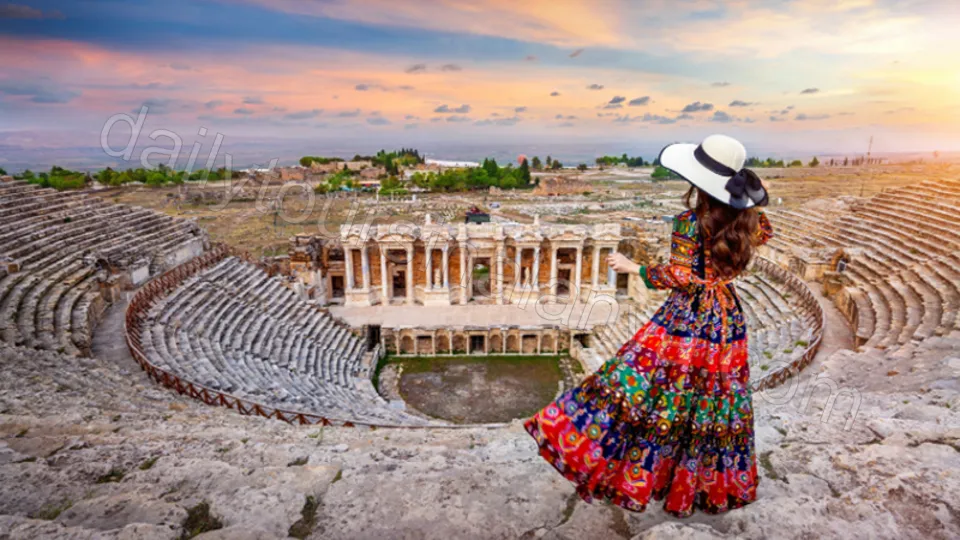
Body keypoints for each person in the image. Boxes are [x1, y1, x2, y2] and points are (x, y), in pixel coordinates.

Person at [525, 134, 774, 518]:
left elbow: (678, 275)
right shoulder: (752, 221)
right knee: (714, 401)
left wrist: (634, 268)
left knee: (639, 387)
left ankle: (622, 465)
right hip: (726, 317)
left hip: (688, 317)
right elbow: (761, 237)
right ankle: (702, 488)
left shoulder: (689, 223)